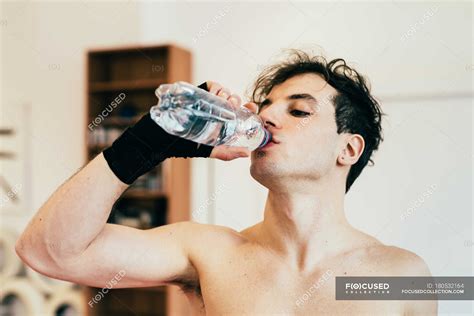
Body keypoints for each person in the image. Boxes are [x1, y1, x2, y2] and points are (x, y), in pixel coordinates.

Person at [16, 50, 436, 315]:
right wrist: (145, 144)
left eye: (299, 112)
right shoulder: (208, 253)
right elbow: (48, 251)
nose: (266, 118)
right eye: (266, 106)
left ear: (348, 150)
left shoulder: (402, 275)